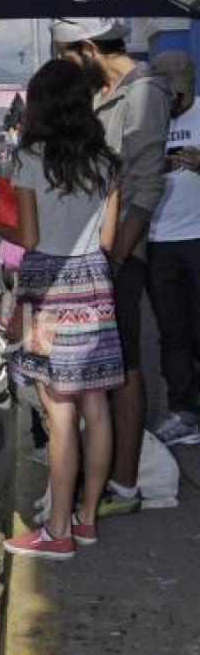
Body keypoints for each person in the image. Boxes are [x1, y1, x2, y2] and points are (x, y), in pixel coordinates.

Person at [0, 57, 123, 559]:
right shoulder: (108, 161)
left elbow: (28, 236)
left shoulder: (27, 158)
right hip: (93, 285)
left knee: (57, 411)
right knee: (96, 406)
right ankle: (86, 521)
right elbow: (108, 240)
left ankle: (57, 531)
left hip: (47, 287)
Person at [52, 16, 171, 517]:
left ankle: (122, 484)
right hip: (92, 250)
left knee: (123, 370)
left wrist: (117, 257)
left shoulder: (143, 93)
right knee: (102, 371)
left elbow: (145, 187)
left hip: (117, 253)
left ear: (86, 47)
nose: (64, 67)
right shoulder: (106, 90)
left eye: (66, 57)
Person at [146, 50, 200, 446]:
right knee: (173, 332)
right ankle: (184, 411)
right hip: (159, 242)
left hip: (198, 238)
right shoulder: (149, 119)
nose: (173, 104)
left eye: (178, 97)